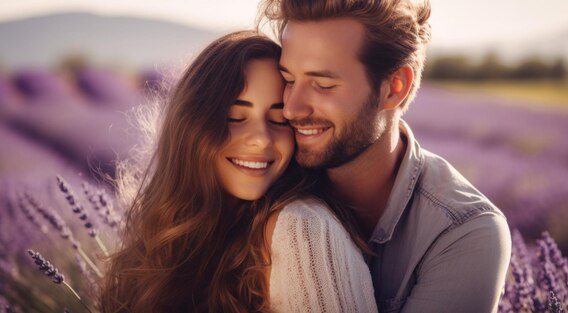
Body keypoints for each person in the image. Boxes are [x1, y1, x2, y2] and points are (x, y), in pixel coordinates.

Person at [258, 0, 512, 312]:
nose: (292, 108)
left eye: (323, 85)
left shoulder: (462, 234)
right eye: (289, 80)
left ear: (395, 87)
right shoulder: (263, 176)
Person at [99, 30, 377, 313]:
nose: (261, 138)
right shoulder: (168, 236)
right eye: (235, 117)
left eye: (279, 119)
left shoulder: (302, 230)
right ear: (191, 127)